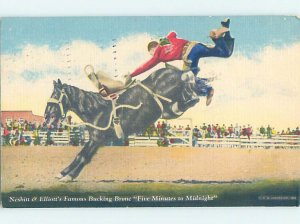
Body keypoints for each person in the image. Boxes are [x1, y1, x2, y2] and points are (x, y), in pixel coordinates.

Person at [126, 18, 234, 106]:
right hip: (195, 45)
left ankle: (207, 90)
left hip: (190, 55)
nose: (152, 55)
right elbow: (173, 33)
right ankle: (223, 31)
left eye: (151, 53)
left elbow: (145, 66)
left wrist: (132, 74)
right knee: (225, 53)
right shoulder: (165, 40)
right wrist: (164, 39)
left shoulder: (157, 56)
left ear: (152, 48)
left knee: (186, 81)